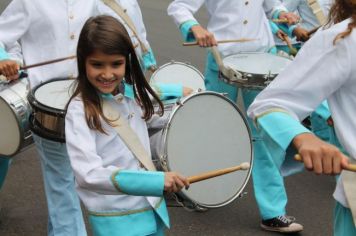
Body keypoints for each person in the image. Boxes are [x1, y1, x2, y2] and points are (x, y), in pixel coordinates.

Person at [0, 0, 189, 234]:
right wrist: (4, 57)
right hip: (50, 108)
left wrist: (169, 85)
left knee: (110, 169)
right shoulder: (28, 2)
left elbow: (115, 35)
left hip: (96, 98)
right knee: (61, 186)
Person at [167, 0, 303, 233]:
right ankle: (198, 190)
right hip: (222, 59)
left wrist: (285, 16)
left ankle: (272, 212)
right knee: (212, 128)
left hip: (261, 59)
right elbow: (178, 6)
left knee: (266, 133)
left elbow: (273, 7)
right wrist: (195, 27)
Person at [65, 15, 189, 236]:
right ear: (82, 62)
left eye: (116, 64)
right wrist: (155, 181)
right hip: (116, 218)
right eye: (97, 64)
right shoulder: (79, 110)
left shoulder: (130, 95)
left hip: (150, 207)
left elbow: (149, 119)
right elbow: (88, 174)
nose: (107, 73)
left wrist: (192, 108)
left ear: (127, 61)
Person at [247, 0, 356, 234]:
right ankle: (272, 210)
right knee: (265, 144)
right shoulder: (344, 39)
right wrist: (303, 137)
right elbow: (269, 104)